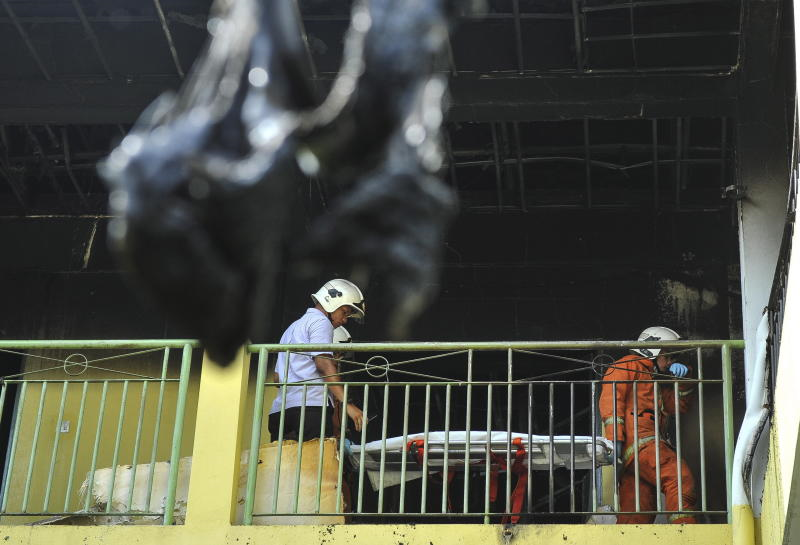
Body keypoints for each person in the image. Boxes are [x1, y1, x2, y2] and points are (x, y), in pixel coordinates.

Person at [599, 326, 697, 524]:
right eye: (667, 356)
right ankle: (685, 532)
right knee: (678, 476)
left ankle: (629, 537)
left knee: (637, 507)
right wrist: (614, 438)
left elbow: (678, 406)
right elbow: (612, 401)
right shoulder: (627, 365)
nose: (670, 362)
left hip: (635, 452)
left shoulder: (654, 379)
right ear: (651, 350)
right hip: (641, 443)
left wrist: (684, 380)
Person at [268, 279, 365, 442]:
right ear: (332, 302)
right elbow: (323, 364)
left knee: (284, 459)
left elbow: (277, 378)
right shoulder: (321, 322)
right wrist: (347, 404)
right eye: (344, 312)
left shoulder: (292, 328)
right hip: (310, 408)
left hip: (280, 411)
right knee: (315, 459)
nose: (344, 320)